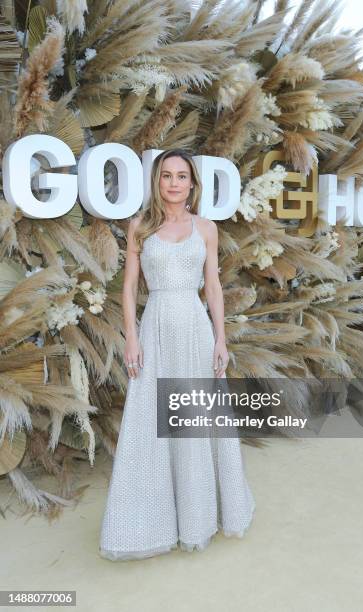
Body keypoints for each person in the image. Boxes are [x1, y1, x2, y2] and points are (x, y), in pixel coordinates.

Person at [99, 148, 255, 561]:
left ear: (192, 183)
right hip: (155, 330)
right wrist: (132, 338)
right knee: (150, 421)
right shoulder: (139, 227)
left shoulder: (207, 228)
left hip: (195, 329)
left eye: (181, 176)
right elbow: (129, 289)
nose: (173, 183)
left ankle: (200, 516)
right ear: (157, 181)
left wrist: (221, 338)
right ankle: (150, 521)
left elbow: (214, 288)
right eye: (166, 175)